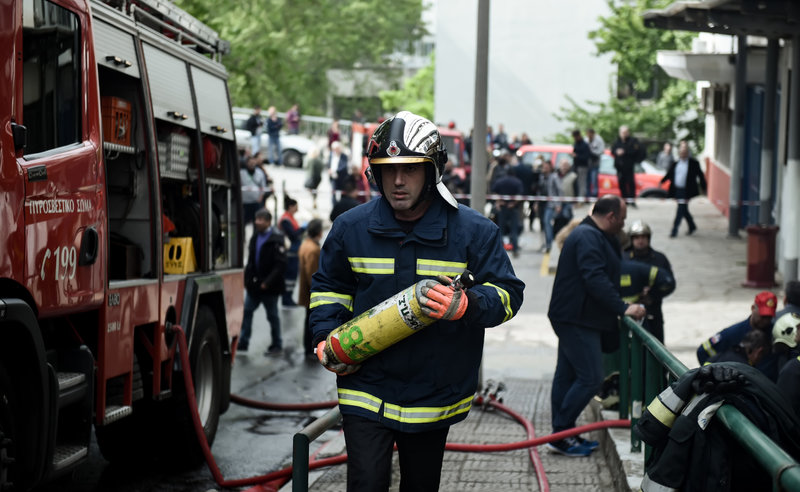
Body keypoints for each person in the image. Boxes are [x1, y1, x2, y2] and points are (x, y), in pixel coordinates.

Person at [309, 111, 524, 491]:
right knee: (366, 484)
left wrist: (467, 306)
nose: (397, 181)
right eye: (386, 170)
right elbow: (330, 288)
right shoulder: (350, 229)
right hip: (365, 387)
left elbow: (508, 293)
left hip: (432, 394)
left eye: (409, 168)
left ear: (433, 171)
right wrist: (326, 335)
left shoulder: (475, 232)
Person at [547, 195, 646, 457]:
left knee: (567, 375)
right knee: (590, 378)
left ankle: (562, 435)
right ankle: (561, 432)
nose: (623, 225)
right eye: (622, 219)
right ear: (611, 216)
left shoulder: (594, 236)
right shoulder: (588, 237)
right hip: (577, 319)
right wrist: (624, 308)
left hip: (576, 316)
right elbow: (596, 279)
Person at [696, 291, 779, 380]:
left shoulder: (777, 334)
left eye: (769, 317)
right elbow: (703, 351)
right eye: (763, 316)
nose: (765, 321)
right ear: (753, 308)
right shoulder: (732, 333)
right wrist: (713, 375)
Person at [239, 209, 287, 355]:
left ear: (268, 222)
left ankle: (277, 344)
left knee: (272, 316)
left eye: (260, 220)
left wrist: (267, 282)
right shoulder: (255, 237)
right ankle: (243, 342)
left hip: (270, 287)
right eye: (256, 219)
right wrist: (247, 280)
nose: (257, 222)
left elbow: (280, 265)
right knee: (247, 311)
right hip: (255, 286)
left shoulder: (277, 239)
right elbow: (251, 261)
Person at [624, 220, 674, 343]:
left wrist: (652, 295)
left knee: (656, 350)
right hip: (628, 313)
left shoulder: (659, 259)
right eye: (636, 237)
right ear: (631, 239)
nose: (640, 240)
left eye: (643, 237)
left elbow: (669, 283)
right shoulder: (623, 259)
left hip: (653, 312)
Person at [660, 140, 707, 237]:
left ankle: (674, 230)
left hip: (687, 191)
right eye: (681, 153)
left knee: (680, 209)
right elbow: (669, 174)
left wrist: (704, 187)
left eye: (685, 152)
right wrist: (662, 181)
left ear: (688, 153)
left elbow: (701, 175)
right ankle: (692, 226)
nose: (683, 154)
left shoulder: (694, 163)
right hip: (677, 190)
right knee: (684, 209)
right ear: (679, 153)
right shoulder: (675, 164)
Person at [298, 218, 323, 360]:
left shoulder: (306, 244)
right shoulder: (313, 249)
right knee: (311, 322)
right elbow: (312, 274)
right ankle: (310, 350)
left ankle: (308, 349)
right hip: (311, 293)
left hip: (306, 291)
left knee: (308, 320)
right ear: (319, 232)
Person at [490, 164, 524, 258]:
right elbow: (520, 195)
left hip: (502, 207)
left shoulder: (500, 181)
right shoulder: (517, 182)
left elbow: (494, 191)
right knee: (514, 230)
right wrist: (513, 204)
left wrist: (499, 202)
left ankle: (499, 251)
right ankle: (515, 249)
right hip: (513, 208)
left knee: (501, 229)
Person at [279, 196, 305, 307]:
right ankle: (287, 299)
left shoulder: (290, 218)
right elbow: (293, 235)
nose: (297, 209)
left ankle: (288, 298)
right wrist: (303, 228)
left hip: (294, 253)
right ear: (291, 206)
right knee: (289, 277)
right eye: (296, 206)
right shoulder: (286, 220)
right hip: (290, 254)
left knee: (292, 277)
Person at [611, 125, 643, 207]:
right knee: (621, 184)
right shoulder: (617, 141)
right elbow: (612, 150)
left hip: (629, 166)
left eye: (625, 132)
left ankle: (632, 200)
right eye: (622, 132)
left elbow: (636, 151)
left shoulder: (632, 141)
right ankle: (624, 200)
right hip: (619, 167)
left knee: (631, 183)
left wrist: (624, 151)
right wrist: (616, 152)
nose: (623, 134)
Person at [240, 151, 269, 228]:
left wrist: (260, 198)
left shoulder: (259, 173)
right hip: (245, 203)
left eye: (253, 163)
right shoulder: (241, 173)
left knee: (256, 223)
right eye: (250, 163)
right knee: (243, 223)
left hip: (256, 203)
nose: (252, 164)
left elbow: (263, 187)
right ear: (247, 163)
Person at [538, 160, 561, 253]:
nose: (544, 169)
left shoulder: (554, 177)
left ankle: (549, 244)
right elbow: (539, 190)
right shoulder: (542, 177)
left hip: (551, 204)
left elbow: (559, 190)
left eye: (546, 167)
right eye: (543, 167)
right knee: (542, 224)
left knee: (547, 222)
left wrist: (558, 204)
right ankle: (544, 243)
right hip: (542, 203)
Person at [554, 158, 576, 238]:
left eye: (566, 165)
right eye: (563, 165)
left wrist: (575, 202)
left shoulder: (573, 176)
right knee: (558, 220)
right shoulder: (555, 176)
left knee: (567, 220)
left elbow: (576, 189)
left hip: (568, 201)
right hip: (557, 202)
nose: (564, 167)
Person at [571, 129, 591, 199]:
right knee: (577, 183)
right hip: (576, 166)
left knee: (582, 183)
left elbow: (586, 157)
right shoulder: (576, 144)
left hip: (582, 166)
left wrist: (577, 156)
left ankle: (581, 199)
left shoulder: (584, 145)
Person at [304, 145, 325, 210]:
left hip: (311, 177)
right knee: (314, 189)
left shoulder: (309, 159)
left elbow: (305, 166)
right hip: (318, 177)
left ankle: (314, 200)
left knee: (311, 189)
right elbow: (322, 168)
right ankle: (314, 200)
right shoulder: (319, 160)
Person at [328, 140, 349, 206]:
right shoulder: (331, 155)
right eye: (334, 149)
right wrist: (329, 170)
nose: (335, 150)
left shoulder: (344, 156)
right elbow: (328, 164)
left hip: (341, 178)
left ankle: (342, 206)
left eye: (336, 149)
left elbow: (344, 166)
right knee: (333, 193)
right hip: (333, 178)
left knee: (343, 193)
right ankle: (334, 206)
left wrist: (335, 171)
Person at [585, 128, 605, 198]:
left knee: (594, 180)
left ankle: (594, 195)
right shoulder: (586, 140)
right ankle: (587, 195)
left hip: (595, 163)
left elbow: (601, 150)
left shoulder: (598, 140)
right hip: (587, 164)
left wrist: (592, 153)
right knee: (587, 181)